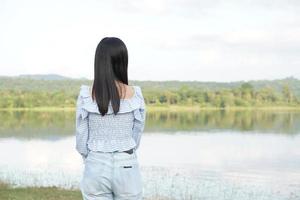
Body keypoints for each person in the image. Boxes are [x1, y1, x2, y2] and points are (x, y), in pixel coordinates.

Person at [75, 37, 146, 200]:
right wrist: (125, 151)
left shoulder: (86, 95)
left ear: (98, 62)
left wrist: (91, 158)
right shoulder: (136, 94)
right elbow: (137, 134)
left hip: (95, 164)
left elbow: (81, 137)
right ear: (122, 61)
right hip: (126, 163)